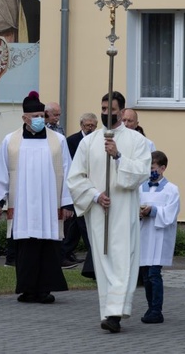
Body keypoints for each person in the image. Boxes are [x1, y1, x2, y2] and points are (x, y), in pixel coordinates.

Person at [67, 91, 151, 333]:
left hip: (123, 211)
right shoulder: (89, 141)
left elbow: (141, 172)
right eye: (103, 109)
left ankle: (116, 312)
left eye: (111, 109)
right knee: (103, 261)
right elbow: (75, 177)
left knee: (122, 259)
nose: (106, 113)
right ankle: (108, 311)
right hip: (99, 212)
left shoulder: (136, 140)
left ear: (122, 111)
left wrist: (118, 156)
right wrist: (94, 195)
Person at [0, 91, 73, 303]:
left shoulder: (58, 140)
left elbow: (68, 171)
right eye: (35, 116)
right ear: (24, 118)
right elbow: (1, 171)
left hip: (49, 203)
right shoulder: (11, 141)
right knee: (26, 247)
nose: (40, 119)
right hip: (23, 204)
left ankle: (44, 290)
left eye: (42, 115)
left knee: (47, 246)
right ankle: (27, 289)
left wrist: (67, 202)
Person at [138, 150, 180, 324]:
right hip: (144, 236)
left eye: (153, 167)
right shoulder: (140, 188)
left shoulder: (171, 190)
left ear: (162, 168)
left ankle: (157, 310)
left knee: (155, 274)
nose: (150, 170)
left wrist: (153, 211)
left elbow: (171, 213)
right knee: (146, 275)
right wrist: (139, 212)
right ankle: (150, 307)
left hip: (160, 237)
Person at [62, 112, 97, 270]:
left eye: (93, 125)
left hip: (91, 185)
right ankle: (92, 253)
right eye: (87, 125)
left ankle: (65, 251)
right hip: (77, 186)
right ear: (81, 125)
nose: (90, 128)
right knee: (81, 222)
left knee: (77, 224)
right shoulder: (71, 141)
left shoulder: (97, 140)